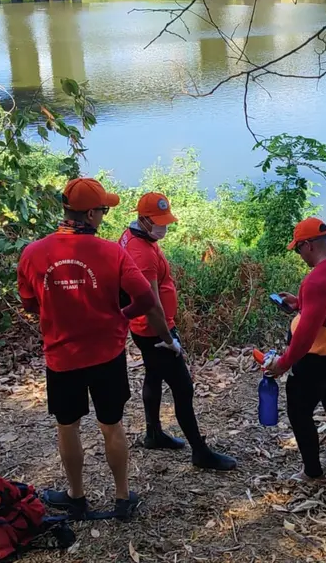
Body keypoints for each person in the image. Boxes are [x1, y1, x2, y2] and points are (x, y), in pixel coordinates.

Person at [17, 178, 181, 521]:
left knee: (68, 425)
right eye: (103, 210)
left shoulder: (32, 254)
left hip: (62, 357)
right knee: (112, 424)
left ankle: (76, 496)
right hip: (106, 354)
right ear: (90, 214)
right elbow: (147, 299)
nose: (105, 216)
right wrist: (120, 316)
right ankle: (122, 498)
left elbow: (30, 303)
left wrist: (57, 310)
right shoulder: (113, 252)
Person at [119, 192, 237, 472]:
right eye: (158, 221)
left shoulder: (133, 236)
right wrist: (168, 340)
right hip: (154, 330)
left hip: (144, 329)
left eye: (165, 220)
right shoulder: (142, 252)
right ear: (144, 219)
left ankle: (153, 433)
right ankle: (200, 451)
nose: (164, 226)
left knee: (153, 375)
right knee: (183, 387)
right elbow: (152, 305)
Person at [263, 218, 326, 481]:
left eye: (298, 248)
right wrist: (300, 303)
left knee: (299, 412)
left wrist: (284, 362)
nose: (299, 254)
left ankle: (312, 472)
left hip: (317, 358)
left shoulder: (315, 280)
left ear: (309, 245)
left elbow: (306, 334)